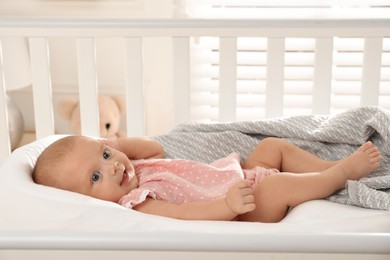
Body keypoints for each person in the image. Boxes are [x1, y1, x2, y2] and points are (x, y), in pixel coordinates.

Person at [32, 135, 381, 223]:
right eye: (96, 176)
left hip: (239, 176)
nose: (112, 167)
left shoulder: (136, 169)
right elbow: (187, 217)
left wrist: (117, 145)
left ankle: (325, 164)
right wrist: (227, 206)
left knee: (271, 147)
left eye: (105, 155)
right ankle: (341, 174)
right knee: (277, 187)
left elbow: (154, 148)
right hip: (245, 208)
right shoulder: (138, 204)